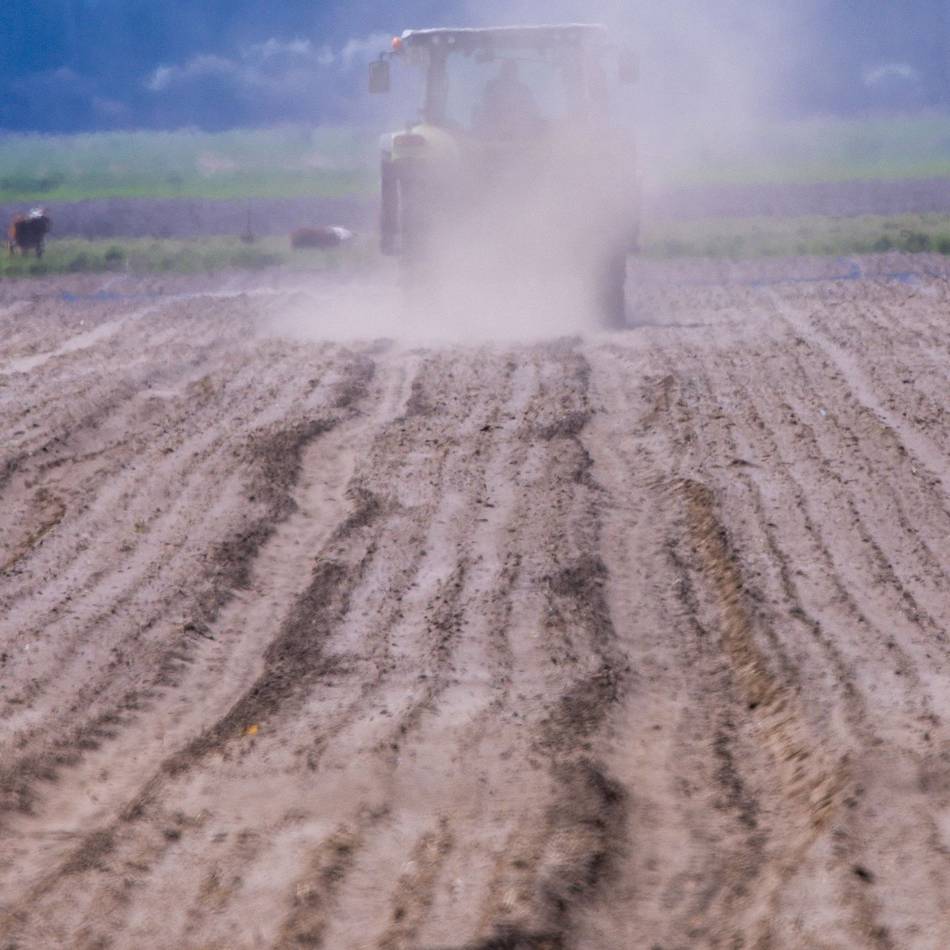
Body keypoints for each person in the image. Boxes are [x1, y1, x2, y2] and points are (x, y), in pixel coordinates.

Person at [476, 60, 542, 137]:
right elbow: (487, 105)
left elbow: (532, 109)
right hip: (491, 135)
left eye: (512, 70)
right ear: (502, 71)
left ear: (515, 72)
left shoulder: (523, 90)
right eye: (507, 70)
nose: (509, 73)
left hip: (521, 136)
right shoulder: (492, 87)